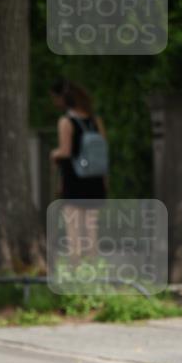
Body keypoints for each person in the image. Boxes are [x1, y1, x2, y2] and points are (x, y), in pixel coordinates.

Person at [49, 78, 108, 264]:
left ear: (62, 99)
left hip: (74, 179)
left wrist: (54, 154)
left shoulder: (66, 122)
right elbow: (103, 151)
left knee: (73, 228)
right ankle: (94, 267)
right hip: (95, 179)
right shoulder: (96, 121)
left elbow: (65, 151)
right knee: (91, 228)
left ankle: (75, 267)